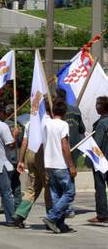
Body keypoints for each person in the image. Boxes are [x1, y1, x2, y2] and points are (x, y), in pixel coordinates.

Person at [13, 101, 52, 229]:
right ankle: (52, 218)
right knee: (49, 186)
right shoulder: (49, 122)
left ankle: (20, 214)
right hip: (42, 153)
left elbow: (24, 142)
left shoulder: (31, 122)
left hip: (30, 152)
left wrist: (21, 160)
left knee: (32, 187)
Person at [42, 100, 77, 234]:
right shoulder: (63, 124)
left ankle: (60, 224)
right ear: (64, 112)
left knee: (56, 194)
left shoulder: (46, 124)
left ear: (52, 111)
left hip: (49, 163)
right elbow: (65, 146)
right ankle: (51, 218)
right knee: (69, 192)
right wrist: (71, 165)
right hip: (60, 164)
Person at [56, 88, 85, 218]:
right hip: (75, 147)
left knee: (61, 178)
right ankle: (66, 206)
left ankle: (66, 207)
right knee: (70, 176)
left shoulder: (57, 111)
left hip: (62, 147)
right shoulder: (76, 110)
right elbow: (82, 129)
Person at [0, 104, 22, 214]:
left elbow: (7, 143)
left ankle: (4, 204)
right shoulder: (21, 126)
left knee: (6, 183)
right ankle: (18, 204)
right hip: (18, 156)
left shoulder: (4, 126)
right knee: (16, 183)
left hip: (8, 158)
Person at [87, 96, 108, 223]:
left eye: (97, 104)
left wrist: (90, 160)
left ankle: (102, 214)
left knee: (100, 187)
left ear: (102, 107)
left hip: (101, 160)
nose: (95, 106)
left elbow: (97, 145)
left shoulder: (101, 123)